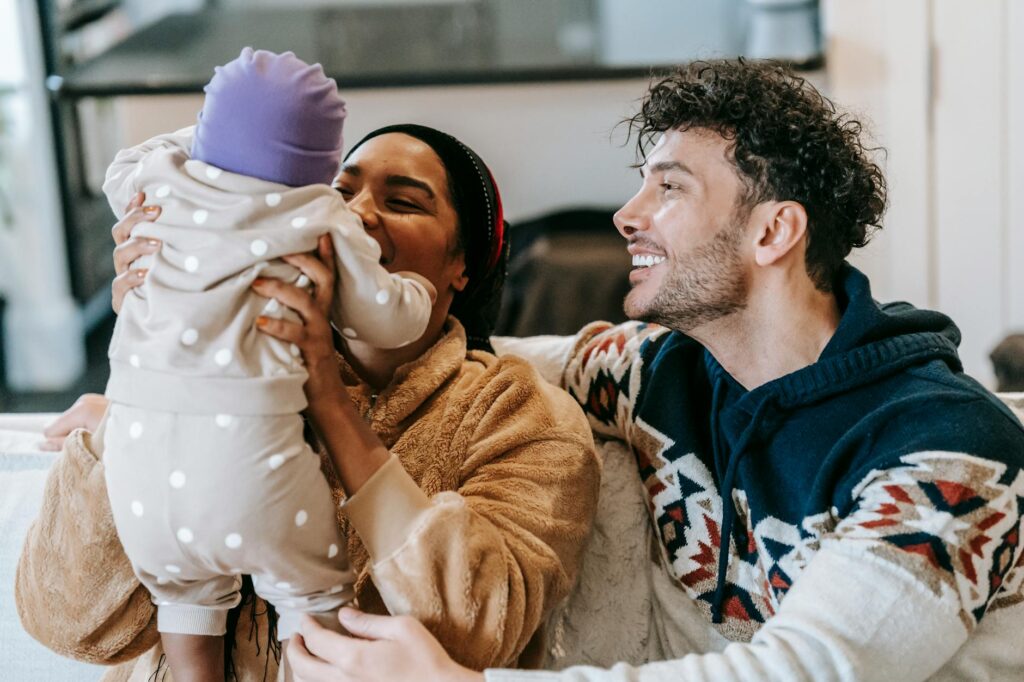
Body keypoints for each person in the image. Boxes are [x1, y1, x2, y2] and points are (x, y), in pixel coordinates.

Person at [284, 59, 1024, 682]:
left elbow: (805, 670)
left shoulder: (949, 450)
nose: (625, 214)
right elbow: (470, 355)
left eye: (669, 188)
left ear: (773, 231)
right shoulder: (658, 374)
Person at [16, 124, 600, 681]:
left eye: (403, 202)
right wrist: (150, 372)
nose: (358, 214)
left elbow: (476, 628)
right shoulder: (232, 367)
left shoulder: (520, 411)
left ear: (464, 265)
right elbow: (72, 625)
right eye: (339, 193)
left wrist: (328, 400)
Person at [98, 47, 439, 681]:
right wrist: (414, 292)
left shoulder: (160, 183)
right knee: (313, 593)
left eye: (405, 202)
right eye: (346, 183)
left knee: (182, 597)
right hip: (250, 473)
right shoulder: (314, 215)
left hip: (138, 473)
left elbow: (123, 166)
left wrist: (206, 141)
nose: (360, 211)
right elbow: (387, 315)